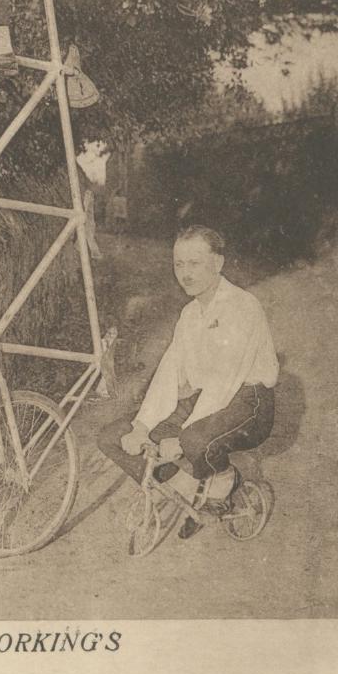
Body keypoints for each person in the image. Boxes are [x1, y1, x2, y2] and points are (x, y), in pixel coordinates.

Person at [97, 225, 279, 539]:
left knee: (193, 441)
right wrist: (141, 425)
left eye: (194, 263)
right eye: (179, 264)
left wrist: (180, 437)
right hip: (205, 399)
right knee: (112, 436)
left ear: (218, 263)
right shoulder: (189, 313)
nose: (185, 273)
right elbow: (170, 370)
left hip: (249, 402)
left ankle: (224, 480)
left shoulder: (242, 307)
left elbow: (226, 381)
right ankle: (192, 487)